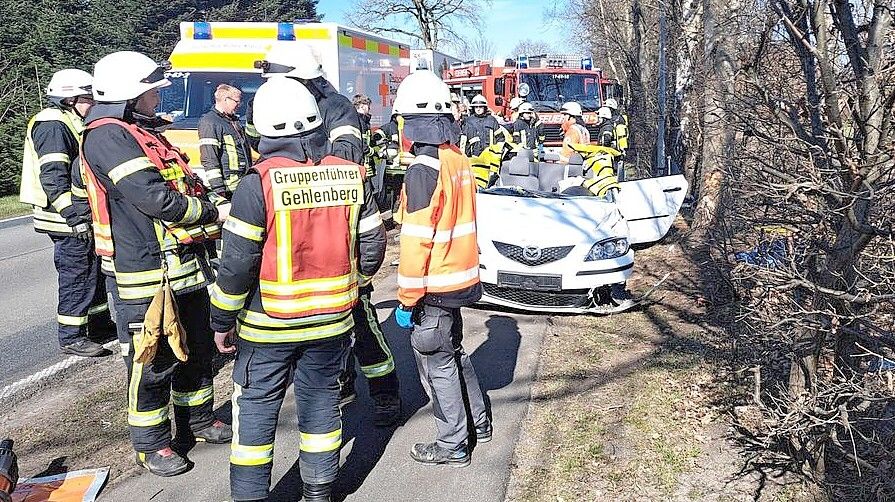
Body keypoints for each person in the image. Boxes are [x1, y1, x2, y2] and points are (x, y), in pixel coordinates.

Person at [210, 77, 386, 502]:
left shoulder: (258, 182)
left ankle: (251, 496)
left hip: (268, 326)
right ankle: (320, 492)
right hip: (332, 323)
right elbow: (374, 242)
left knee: (255, 413)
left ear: (262, 130)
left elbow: (237, 263)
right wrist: (353, 284)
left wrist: (221, 321)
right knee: (322, 406)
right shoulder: (350, 175)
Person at [80, 51, 231, 477]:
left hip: (185, 265)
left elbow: (179, 182)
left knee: (197, 350)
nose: (156, 97)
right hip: (146, 272)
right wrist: (210, 213)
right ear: (130, 93)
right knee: (153, 359)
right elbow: (153, 198)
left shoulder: (140, 130)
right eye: (150, 89)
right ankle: (151, 443)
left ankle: (198, 421)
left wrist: (209, 204)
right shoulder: (108, 137)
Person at [392, 70, 490, 467]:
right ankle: (478, 423)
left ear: (411, 122)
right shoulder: (456, 158)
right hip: (461, 277)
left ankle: (452, 444)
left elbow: (417, 242)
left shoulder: (423, 168)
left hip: (433, 284)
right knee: (453, 352)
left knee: (438, 362)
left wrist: (406, 298)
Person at [19, 68, 111, 357]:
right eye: (89, 97)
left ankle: (97, 324)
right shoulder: (52, 125)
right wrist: (74, 216)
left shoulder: (68, 120)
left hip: (78, 215)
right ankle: (71, 336)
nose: (93, 103)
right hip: (65, 218)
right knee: (77, 274)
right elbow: (54, 176)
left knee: (92, 271)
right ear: (70, 99)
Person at [252, 44, 364, 164]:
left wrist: (312, 149)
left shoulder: (336, 106)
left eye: (282, 81)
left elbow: (350, 153)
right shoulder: (268, 104)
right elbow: (258, 145)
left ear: (305, 79)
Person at [197, 84, 252, 198]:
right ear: (226, 100)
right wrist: (218, 189)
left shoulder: (232, 121)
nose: (239, 105)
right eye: (237, 101)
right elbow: (209, 157)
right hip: (227, 188)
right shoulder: (210, 122)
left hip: (241, 185)